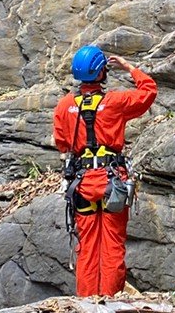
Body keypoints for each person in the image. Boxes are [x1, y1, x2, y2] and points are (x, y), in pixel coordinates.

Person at [53, 45, 157, 297]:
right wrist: (129, 66)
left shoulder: (64, 105)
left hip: (82, 184)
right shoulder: (114, 102)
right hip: (112, 183)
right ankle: (110, 303)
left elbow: (62, 143)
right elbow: (149, 91)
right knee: (112, 246)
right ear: (102, 73)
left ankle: (88, 305)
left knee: (87, 248)